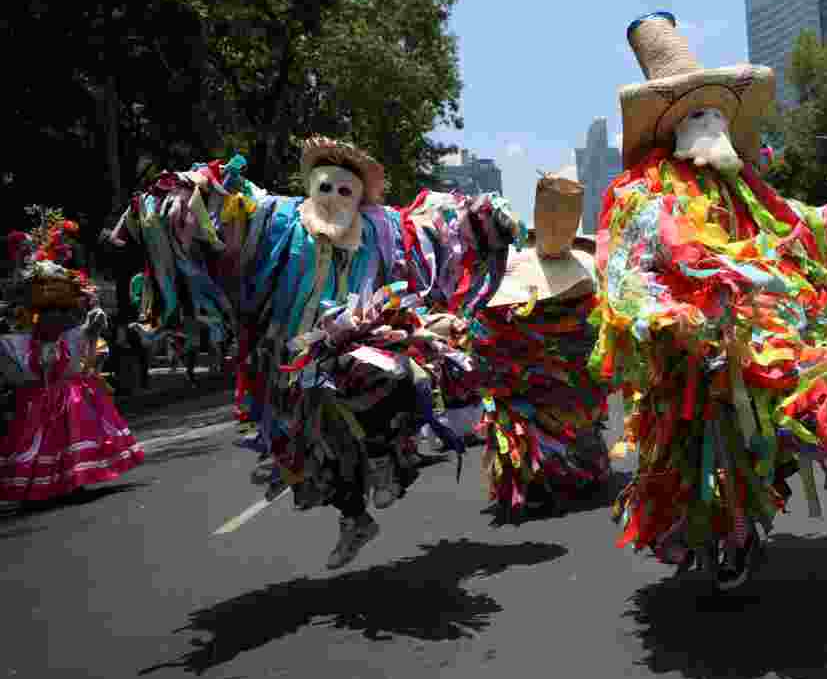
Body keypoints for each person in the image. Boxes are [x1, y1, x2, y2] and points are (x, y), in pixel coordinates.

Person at [591, 13, 827, 590]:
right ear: (671, 127)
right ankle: (706, 528)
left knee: (774, 418)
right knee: (690, 442)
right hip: (686, 341)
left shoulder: (746, 186)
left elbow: (791, 229)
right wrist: (664, 314)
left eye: (714, 111)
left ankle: (738, 526)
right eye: (694, 113)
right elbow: (626, 269)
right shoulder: (641, 195)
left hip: (760, 333)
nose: (709, 123)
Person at [108, 136, 523, 568]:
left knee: (392, 375)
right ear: (310, 188)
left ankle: (386, 457)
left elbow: (443, 229)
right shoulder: (278, 217)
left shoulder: (383, 229)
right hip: (291, 359)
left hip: (360, 340)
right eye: (325, 188)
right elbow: (222, 206)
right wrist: (182, 199)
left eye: (346, 191)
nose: (334, 199)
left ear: (361, 198)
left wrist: (485, 220)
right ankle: (355, 519)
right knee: (313, 453)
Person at [471, 174, 611, 519]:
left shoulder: (591, 266)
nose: (559, 224)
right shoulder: (510, 268)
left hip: (575, 374)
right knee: (525, 431)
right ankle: (531, 478)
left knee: (579, 426)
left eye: (568, 217)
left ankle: (575, 466)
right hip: (523, 378)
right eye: (551, 216)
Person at [0, 217, 143, 508]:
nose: (27, 250)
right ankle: (52, 482)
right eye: (23, 247)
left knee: (71, 417)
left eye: (29, 246)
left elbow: (80, 314)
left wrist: (86, 309)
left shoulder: (50, 279)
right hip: (41, 371)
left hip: (60, 367)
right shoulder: (22, 287)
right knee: (45, 427)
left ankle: (71, 479)